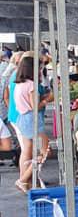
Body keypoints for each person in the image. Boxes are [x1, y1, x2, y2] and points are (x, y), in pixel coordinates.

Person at [13, 55, 53, 193]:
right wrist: (47, 100)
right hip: (32, 119)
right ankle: (23, 179)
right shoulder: (31, 85)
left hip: (22, 119)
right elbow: (35, 106)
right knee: (45, 151)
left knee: (28, 149)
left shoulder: (19, 84)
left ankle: (27, 180)